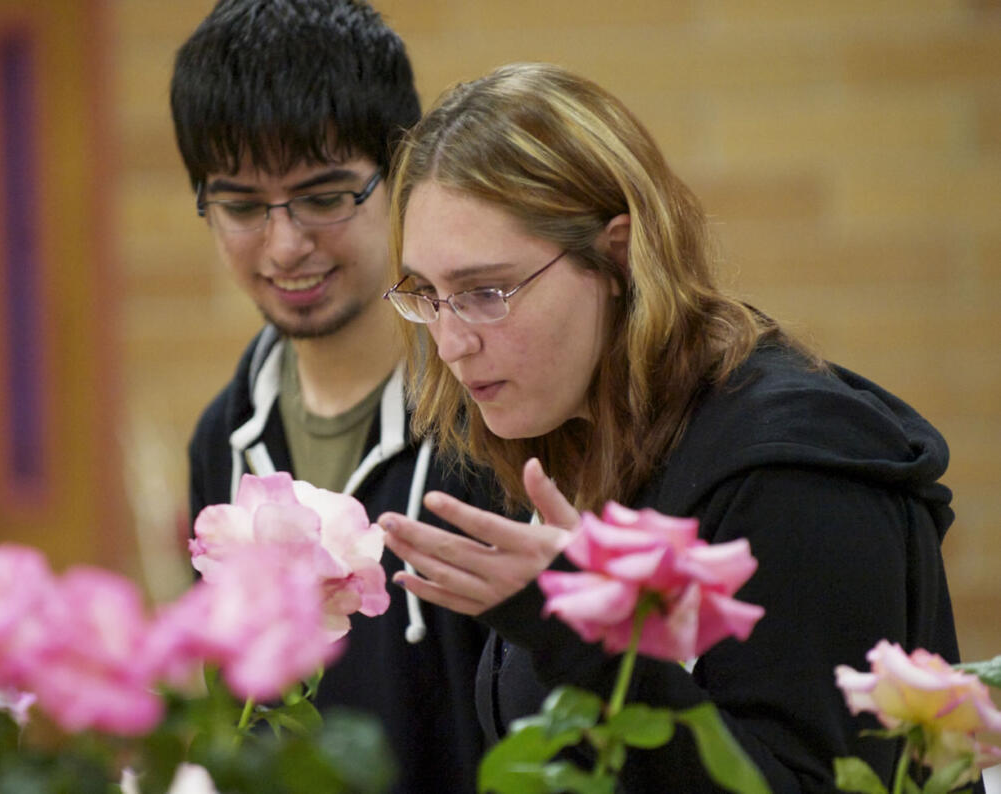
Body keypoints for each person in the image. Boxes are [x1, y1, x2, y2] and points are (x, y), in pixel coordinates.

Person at [376, 62, 975, 792]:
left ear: (617, 257)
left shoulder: (793, 469)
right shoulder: (566, 437)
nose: (450, 341)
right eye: (426, 296)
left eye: (486, 292)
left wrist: (585, 640)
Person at [169, 2, 507, 791]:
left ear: (404, 174)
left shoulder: (493, 408)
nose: (286, 245)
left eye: (325, 197)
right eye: (243, 207)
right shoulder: (222, 438)